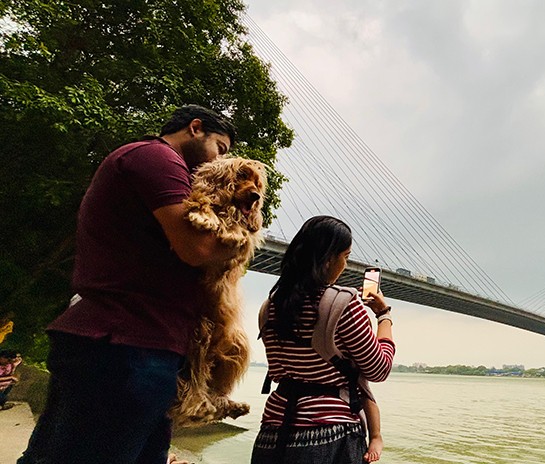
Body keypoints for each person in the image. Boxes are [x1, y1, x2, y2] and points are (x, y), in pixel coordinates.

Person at [18, 105, 239, 464]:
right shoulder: (157, 158)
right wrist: (239, 241)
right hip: (126, 343)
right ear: (195, 128)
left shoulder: (152, 163)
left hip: (131, 344)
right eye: (221, 148)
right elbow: (197, 248)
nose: (218, 161)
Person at [252, 215, 395, 464]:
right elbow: (379, 369)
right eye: (346, 257)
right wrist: (383, 316)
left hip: (272, 431)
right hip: (328, 435)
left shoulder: (269, 307)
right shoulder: (344, 303)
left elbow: (277, 370)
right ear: (329, 259)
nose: (345, 265)